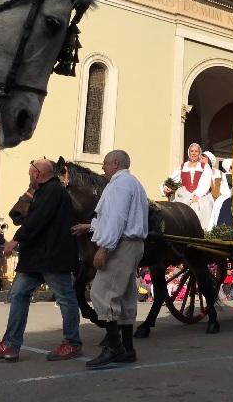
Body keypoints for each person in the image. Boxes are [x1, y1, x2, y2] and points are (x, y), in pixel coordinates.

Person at [0, 159, 82, 362]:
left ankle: (72, 343)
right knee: (18, 294)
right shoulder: (45, 191)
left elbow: (38, 219)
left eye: (29, 174)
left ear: (36, 173)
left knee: (65, 297)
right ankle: (10, 345)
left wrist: (16, 239)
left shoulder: (53, 190)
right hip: (36, 257)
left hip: (51, 256)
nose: (29, 178)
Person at [72, 150, 149, 369]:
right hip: (133, 245)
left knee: (101, 293)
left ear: (115, 163)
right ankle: (127, 349)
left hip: (122, 246)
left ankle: (114, 348)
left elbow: (116, 219)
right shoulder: (133, 183)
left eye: (105, 163)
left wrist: (104, 248)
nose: (103, 167)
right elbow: (121, 218)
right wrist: (91, 226)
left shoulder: (118, 185)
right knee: (124, 296)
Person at [163, 143, 213, 228]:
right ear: (189, 153)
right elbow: (172, 179)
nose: (194, 153)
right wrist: (166, 187)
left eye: (196, 151)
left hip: (201, 194)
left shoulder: (205, 166)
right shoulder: (183, 166)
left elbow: (206, 181)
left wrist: (198, 195)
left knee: (205, 206)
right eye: (192, 151)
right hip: (184, 193)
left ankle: (203, 232)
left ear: (199, 153)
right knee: (180, 207)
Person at [203, 152, 231, 230]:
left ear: (209, 160)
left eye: (204, 158)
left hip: (218, 197)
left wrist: (224, 199)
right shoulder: (201, 172)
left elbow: (225, 188)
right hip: (206, 197)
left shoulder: (220, 173)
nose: (201, 159)